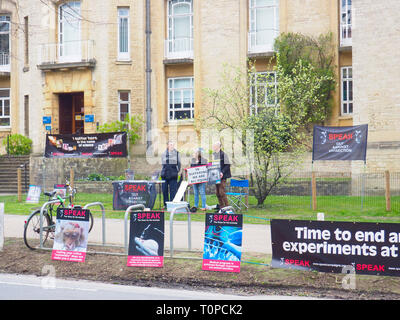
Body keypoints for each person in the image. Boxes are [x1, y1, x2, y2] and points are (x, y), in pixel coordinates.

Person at [160, 141, 181, 208]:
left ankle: (172, 204)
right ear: (167, 146)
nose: (172, 146)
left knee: (173, 190)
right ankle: (165, 204)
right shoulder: (163, 153)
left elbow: (179, 164)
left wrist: (176, 171)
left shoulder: (177, 153)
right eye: (171, 145)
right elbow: (162, 164)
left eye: (173, 145)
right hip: (165, 174)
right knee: (164, 190)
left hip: (173, 175)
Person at [212, 141, 231, 209]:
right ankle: (221, 206)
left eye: (214, 146)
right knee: (217, 192)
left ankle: (227, 206)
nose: (213, 147)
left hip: (223, 176)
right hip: (215, 176)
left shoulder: (223, 154)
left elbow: (227, 165)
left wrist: (222, 172)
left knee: (221, 191)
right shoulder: (213, 154)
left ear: (218, 146)